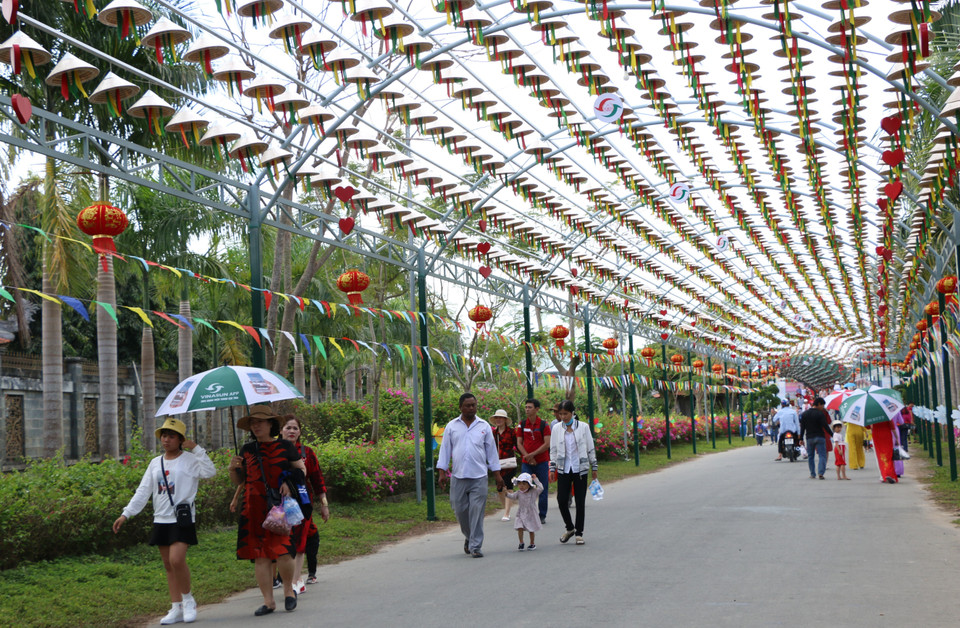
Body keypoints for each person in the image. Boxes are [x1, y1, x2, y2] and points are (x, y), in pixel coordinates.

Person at [113, 418, 216, 625]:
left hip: (181, 519)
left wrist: (196, 449)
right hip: (161, 518)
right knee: (169, 565)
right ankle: (175, 606)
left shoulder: (189, 460)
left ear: (180, 439)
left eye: (171, 436)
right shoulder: (155, 463)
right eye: (164, 436)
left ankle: (188, 601)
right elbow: (143, 491)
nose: (166, 440)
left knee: (177, 560)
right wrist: (126, 513)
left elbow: (210, 472)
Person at [229, 406, 307, 616]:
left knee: (282, 551)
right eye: (253, 423)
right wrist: (233, 469)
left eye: (260, 422)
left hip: (277, 507)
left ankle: (289, 591)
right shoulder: (247, 450)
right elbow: (240, 480)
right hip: (251, 508)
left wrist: (289, 485)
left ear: (271, 424)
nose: (256, 425)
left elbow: (301, 470)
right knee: (260, 555)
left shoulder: (284, 446)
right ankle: (268, 601)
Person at [436, 393, 504, 558]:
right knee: (460, 510)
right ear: (461, 407)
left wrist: (497, 475)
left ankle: (475, 546)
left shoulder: (484, 426)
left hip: (479, 476)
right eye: (468, 405)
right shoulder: (452, 426)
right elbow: (444, 450)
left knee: (477, 512)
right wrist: (442, 472)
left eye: (473, 405)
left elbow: (491, 452)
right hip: (458, 476)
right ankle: (469, 536)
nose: (471, 408)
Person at [279, 416, 330, 593]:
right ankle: (283, 578)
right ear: (280, 430)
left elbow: (317, 480)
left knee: (299, 541)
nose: (291, 431)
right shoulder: (273, 451)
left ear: (300, 432)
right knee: (281, 541)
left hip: (302, 502)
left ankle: (295, 579)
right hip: (277, 503)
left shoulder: (307, 453)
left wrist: (324, 504)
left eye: (295, 428)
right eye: (288, 427)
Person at [549, 400, 598, 545]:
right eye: (561, 414)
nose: (563, 417)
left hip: (580, 469)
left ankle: (579, 533)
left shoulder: (583, 427)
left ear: (572, 413)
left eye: (566, 414)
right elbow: (553, 450)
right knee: (562, 500)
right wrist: (552, 468)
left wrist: (594, 466)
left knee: (580, 501)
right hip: (564, 468)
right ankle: (570, 528)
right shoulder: (557, 428)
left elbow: (590, 447)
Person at [516, 398, 551, 524]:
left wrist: (533, 455)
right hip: (527, 463)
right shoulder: (522, 424)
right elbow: (519, 443)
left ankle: (542, 515)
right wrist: (527, 457)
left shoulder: (544, 425)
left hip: (541, 462)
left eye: (530, 407)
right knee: (524, 487)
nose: (527, 409)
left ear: (537, 409)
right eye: (526, 407)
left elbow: (547, 444)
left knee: (542, 487)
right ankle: (526, 513)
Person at [490, 408, 518, 521]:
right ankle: (506, 507)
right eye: (497, 418)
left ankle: (507, 513)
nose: (498, 420)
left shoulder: (512, 432)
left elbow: (518, 445)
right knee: (500, 488)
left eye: (500, 418)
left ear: (505, 420)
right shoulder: (493, 433)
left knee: (508, 486)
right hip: (497, 463)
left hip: (509, 462)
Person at [505, 472, 543, 551]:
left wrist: (535, 479)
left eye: (524, 484)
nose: (521, 486)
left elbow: (541, 488)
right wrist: (505, 493)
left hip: (531, 513)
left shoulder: (534, 491)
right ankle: (521, 542)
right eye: (519, 484)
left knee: (531, 529)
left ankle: (532, 543)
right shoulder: (518, 493)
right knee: (520, 527)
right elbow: (512, 496)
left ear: (529, 484)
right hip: (521, 513)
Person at [800, 397, 833, 479]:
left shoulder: (804, 414)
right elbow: (826, 426)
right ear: (818, 404)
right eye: (822, 405)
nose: (823, 407)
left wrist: (801, 438)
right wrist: (832, 434)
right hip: (820, 437)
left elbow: (802, 428)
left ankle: (812, 474)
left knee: (811, 456)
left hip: (809, 438)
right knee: (822, 455)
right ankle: (821, 473)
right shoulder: (820, 414)